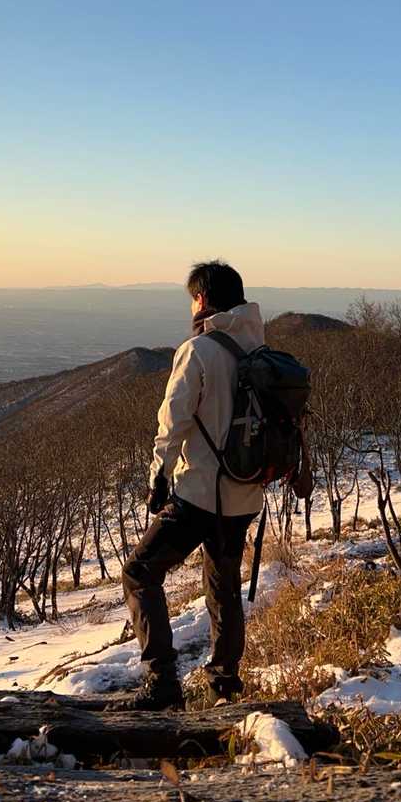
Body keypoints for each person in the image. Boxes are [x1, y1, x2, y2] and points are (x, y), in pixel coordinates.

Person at [115, 260, 264, 711]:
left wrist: (158, 478)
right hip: (244, 495)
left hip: (199, 494)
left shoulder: (198, 351)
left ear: (201, 300)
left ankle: (162, 682)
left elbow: (172, 422)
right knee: (223, 587)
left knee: (139, 573)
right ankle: (224, 686)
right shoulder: (259, 349)